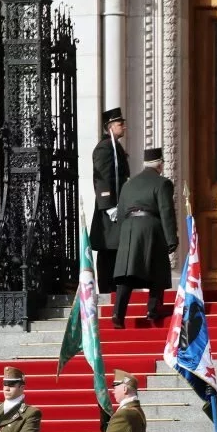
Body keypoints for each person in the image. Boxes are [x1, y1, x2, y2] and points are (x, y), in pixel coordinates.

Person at [112, 147, 179, 328]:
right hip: (151, 228)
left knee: (127, 274)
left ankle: (118, 314)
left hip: (128, 229)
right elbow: (166, 212)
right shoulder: (162, 183)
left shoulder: (128, 184)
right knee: (157, 270)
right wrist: (172, 238)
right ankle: (152, 310)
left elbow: (120, 212)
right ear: (160, 165)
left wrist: (122, 237)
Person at [90, 107, 130, 294]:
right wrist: (109, 206)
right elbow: (102, 178)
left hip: (117, 205)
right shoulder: (105, 147)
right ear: (110, 126)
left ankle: (114, 286)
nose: (124, 127)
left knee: (115, 248)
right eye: (120, 124)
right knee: (108, 248)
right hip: (109, 209)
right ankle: (107, 287)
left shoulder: (116, 147)